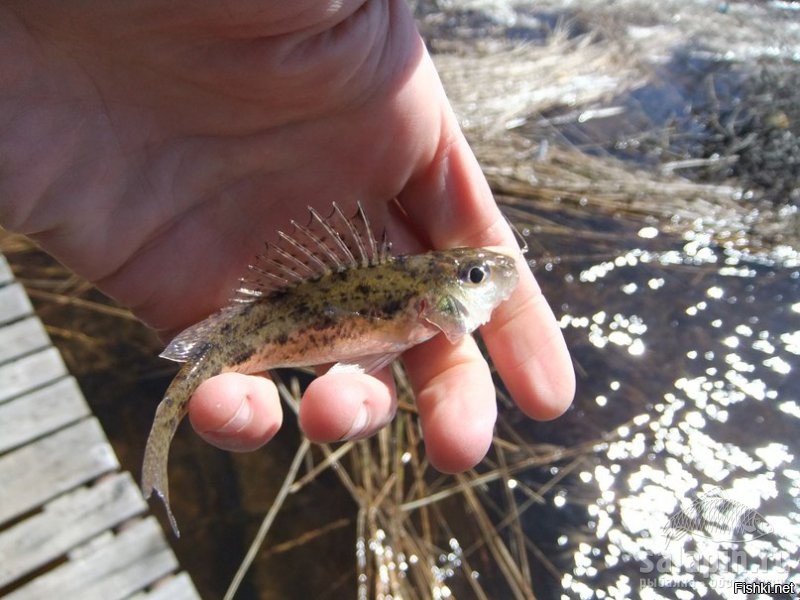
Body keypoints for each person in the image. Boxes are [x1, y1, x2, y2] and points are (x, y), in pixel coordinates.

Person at [0, 1, 574, 473]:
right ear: (426, 300)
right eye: (473, 275)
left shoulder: (413, 309)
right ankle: (156, 457)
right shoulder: (410, 310)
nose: (490, 273)